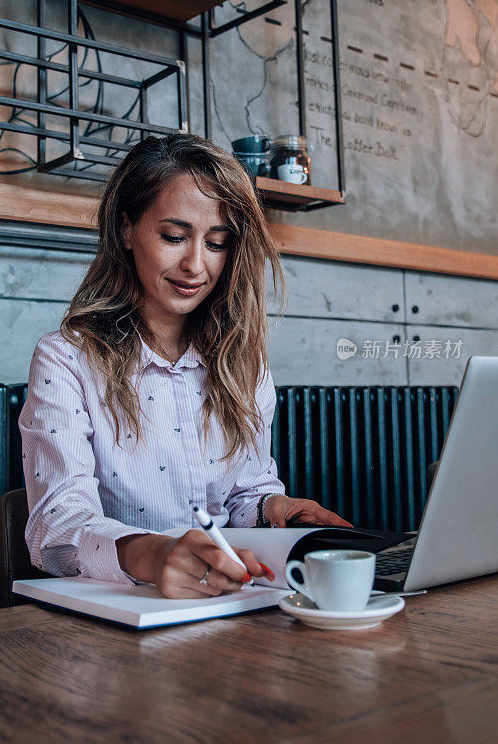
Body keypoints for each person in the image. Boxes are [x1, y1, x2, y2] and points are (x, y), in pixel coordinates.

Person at [19, 133, 351, 600]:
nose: (196, 265)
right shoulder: (67, 359)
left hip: (226, 605)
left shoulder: (243, 364)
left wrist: (275, 508)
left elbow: (242, 498)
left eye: (216, 243)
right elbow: (58, 523)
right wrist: (154, 555)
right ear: (126, 228)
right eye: (174, 237)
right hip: (116, 624)